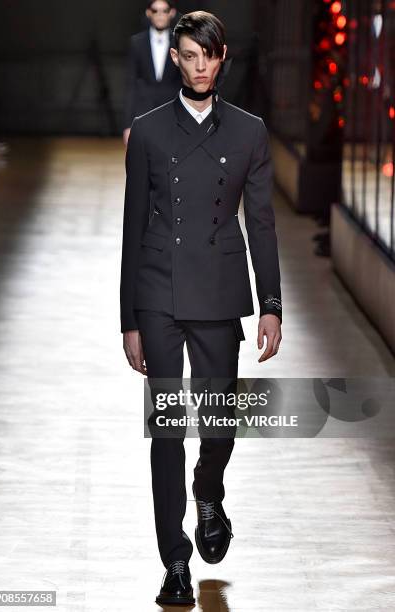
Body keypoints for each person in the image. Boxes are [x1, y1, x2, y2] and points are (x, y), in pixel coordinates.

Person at [120, 10, 283, 606]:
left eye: (207, 56)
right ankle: (175, 563)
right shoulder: (149, 131)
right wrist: (129, 319)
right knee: (167, 430)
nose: (198, 66)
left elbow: (261, 224)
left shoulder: (248, 132)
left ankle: (208, 487)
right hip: (158, 291)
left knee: (217, 424)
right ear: (176, 60)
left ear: (221, 59)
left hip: (218, 292)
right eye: (187, 56)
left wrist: (270, 304)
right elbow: (133, 223)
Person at [123, 0, 182, 147]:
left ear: (172, 13)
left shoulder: (180, 43)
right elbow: (131, 85)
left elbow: (185, 82)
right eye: (155, 11)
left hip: (172, 114)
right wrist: (128, 125)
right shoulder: (136, 43)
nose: (160, 15)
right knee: (144, 162)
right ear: (148, 13)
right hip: (144, 113)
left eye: (164, 10)